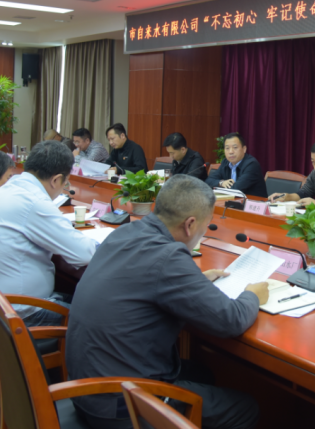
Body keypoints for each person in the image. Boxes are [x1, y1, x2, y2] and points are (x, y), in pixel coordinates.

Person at [66, 175, 268, 429]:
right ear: (190, 224)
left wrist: (195, 281)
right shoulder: (169, 256)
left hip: (84, 389)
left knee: (201, 373)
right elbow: (231, 320)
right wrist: (252, 294)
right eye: (206, 226)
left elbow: (145, 280)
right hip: (123, 407)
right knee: (246, 408)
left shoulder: (126, 231)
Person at [0, 140, 97, 332]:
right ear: (56, 180)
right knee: (98, 317)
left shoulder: (10, 187)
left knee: (83, 301)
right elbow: (85, 254)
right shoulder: (34, 201)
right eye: (65, 183)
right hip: (11, 319)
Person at [205, 132, 266, 197]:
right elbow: (208, 181)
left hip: (253, 202)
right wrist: (221, 183)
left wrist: (220, 186)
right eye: (227, 148)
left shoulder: (252, 165)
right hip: (233, 201)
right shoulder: (225, 162)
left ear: (244, 149)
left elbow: (236, 189)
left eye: (235, 147)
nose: (231, 152)